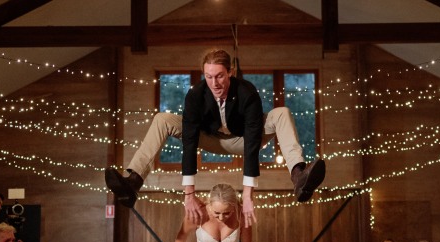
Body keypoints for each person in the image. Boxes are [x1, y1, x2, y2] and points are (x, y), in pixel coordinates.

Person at [105, 49, 326, 227]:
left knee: (282, 113)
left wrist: (247, 195)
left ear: (230, 72)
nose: (215, 83)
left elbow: (251, 145)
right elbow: (190, 143)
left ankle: (298, 176)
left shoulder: (248, 92)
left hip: (244, 140)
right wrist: (189, 194)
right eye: (209, 77)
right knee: (162, 118)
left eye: (220, 76)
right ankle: (133, 182)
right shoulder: (195, 95)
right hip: (209, 139)